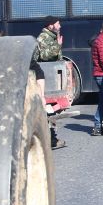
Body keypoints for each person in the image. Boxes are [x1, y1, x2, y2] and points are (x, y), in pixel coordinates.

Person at [33, 16, 65, 149]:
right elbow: (45, 56)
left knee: (51, 111)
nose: (60, 26)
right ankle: (49, 140)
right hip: (45, 78)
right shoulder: (43, 37)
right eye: (58, 24)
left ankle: (51, 138)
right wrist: (58, 45)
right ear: (50, 25)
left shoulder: (51, 36)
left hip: (49, 77)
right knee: (48, 111)